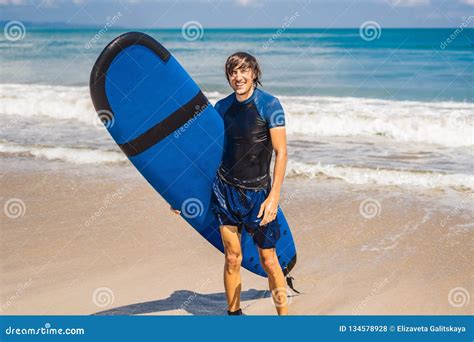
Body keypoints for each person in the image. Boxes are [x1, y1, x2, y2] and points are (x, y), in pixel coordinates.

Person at [171, 52, 289, 315]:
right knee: (232, 257)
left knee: (269, 261)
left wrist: (274, 198)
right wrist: (182, 194)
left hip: (258, 195)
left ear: (254, 73)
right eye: (233, 72)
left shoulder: (270, 105)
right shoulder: (221, 108)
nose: (238, 77)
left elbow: (281, 153)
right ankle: (234, 316)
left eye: (243, 71)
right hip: (225, 191)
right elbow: (206, 153)